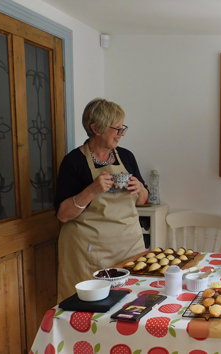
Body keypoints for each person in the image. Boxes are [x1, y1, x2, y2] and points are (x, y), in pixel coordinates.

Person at [54, 98, 149, 301]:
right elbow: (63, 215)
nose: (121, 134)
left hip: (129, 248)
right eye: (117, 129)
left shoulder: (127, 157)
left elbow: (143, 200)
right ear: (96, 128)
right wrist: (92, 190)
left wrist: (140, 188)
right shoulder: (74, 162)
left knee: (132, 304)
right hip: (91, 252)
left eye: (123, 128)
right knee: (90, 309)